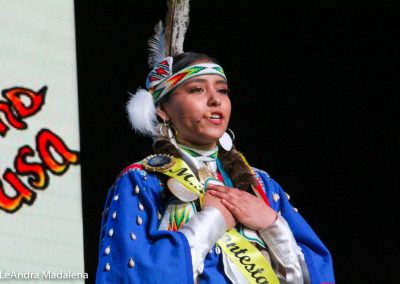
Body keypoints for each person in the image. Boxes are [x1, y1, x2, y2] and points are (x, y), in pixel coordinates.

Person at [95, 51, 334, 283]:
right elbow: (131, 273)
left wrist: (273, 225)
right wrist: (212, 220)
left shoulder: (261, 185)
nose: (215, 99)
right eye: (197, 89)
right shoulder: (144, 180)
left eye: (222, 90)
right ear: (163, 109)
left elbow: (315, 275)